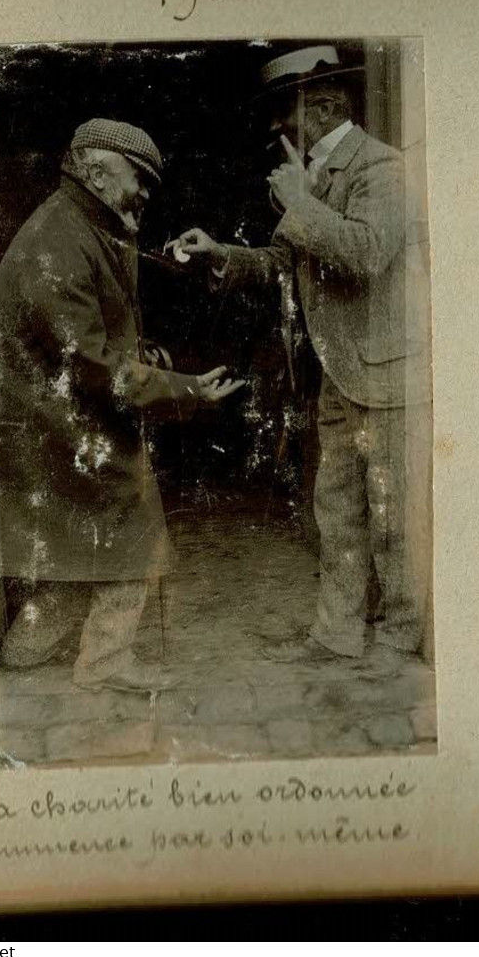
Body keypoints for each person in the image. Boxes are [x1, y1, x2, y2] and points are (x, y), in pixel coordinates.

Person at [172, 46, 431, 669]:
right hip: (340, 375)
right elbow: (285, 265)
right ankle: (336, 635)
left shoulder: (383, 170)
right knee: (337, 511)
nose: (273, 128)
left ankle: (397, 642)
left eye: (281, 113)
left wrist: (299, 204)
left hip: (388, 374)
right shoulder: (310, 178)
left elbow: (368, 252)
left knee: (392, 516)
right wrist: (219, 255)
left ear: (321, 107)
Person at [0, 118, 245, 694]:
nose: (146, 196)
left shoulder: (79, 221)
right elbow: (95, 365)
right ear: (98, 173)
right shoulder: (61, 238)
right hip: (60, 425)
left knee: (69, 543)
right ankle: (105, 665)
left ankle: (27, 654)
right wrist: (188, 389)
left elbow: (96, 321)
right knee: (133, 526)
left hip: (50, 421)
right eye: (140, 181)